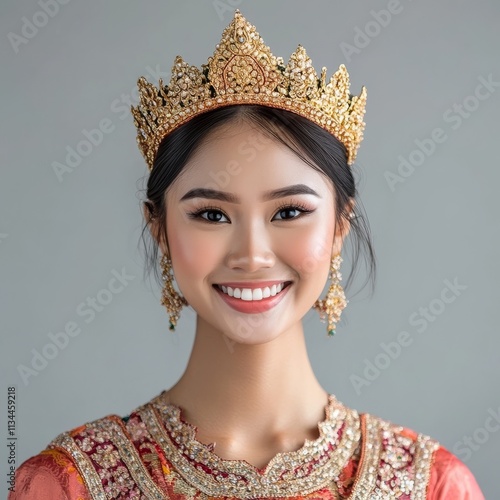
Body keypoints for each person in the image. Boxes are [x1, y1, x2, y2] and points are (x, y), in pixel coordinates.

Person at [10, 10, 484, 499]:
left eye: (289, 212)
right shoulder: (70, 484)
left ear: (340, 225)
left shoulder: (430, 485)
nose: (253, 255)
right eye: (212, 215)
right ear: (159, 229)